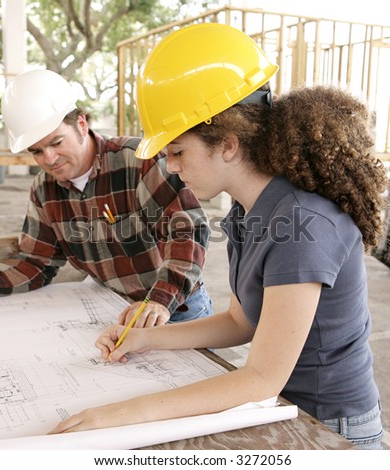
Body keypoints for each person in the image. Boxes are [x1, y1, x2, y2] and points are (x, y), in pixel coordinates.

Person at [50, 23, 387, 450]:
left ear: (227, 144)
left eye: (177, 152)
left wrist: (125, 413)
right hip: (287, 407)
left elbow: (262, 378)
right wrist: (148, 337)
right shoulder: (252, 211)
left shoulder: (302, 224)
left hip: (333, 429)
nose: (170, 167)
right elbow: (241, 322)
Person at [0, 69, 212, 327]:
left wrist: (159, 300)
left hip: (176, 309)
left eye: (56, 143)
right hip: (115, 308)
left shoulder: (139, 162)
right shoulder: (44, 190)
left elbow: (188, 229)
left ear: (81, 124)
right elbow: (37, 262)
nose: (49, 159)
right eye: (37, 152)